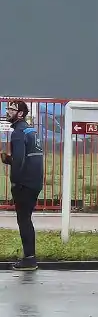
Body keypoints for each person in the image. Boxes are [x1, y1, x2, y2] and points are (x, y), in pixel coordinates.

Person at [1, 101, 43, 271]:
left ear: (20, 114)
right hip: (35, 181)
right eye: (7, 109)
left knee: (23, 220)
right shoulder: (31, 130)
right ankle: (29, 257)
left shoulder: (18, 133)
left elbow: (19, 161)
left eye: (11, 109)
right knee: (26, 219)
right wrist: (10, 160)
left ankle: (29, 259)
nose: (7, 112)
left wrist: (15, 182)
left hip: (24, 184)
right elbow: (28, 157)